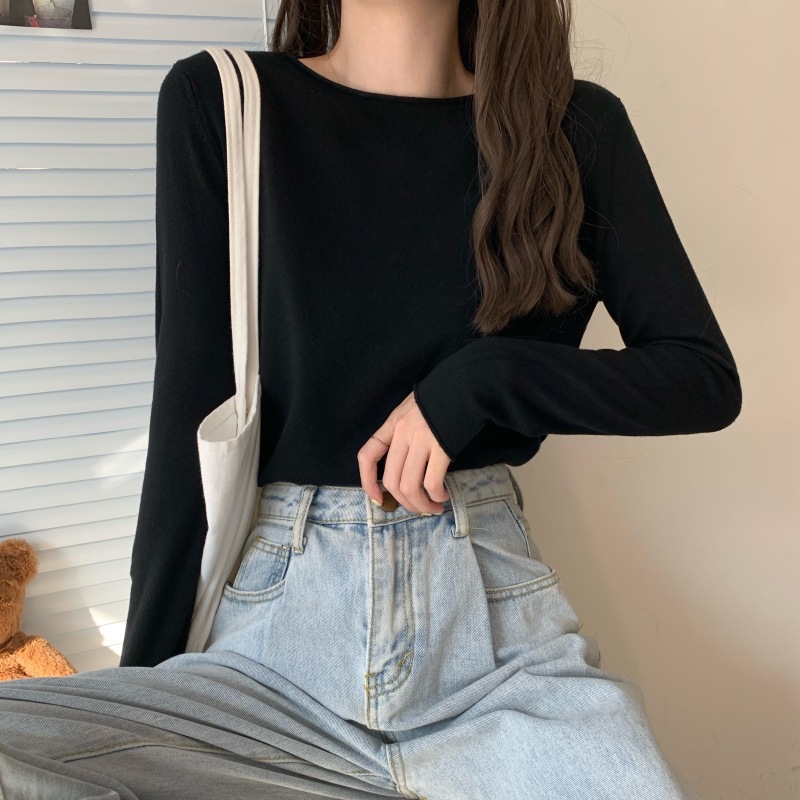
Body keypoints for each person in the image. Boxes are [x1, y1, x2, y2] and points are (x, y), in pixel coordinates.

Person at [0, 0, 741, 797]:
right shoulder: (225, 101)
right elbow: (188, 422)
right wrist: (145, 703)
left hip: (495, 656)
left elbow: (701, 378)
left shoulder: (573, 128)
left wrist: (486, 380)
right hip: (272, 664)